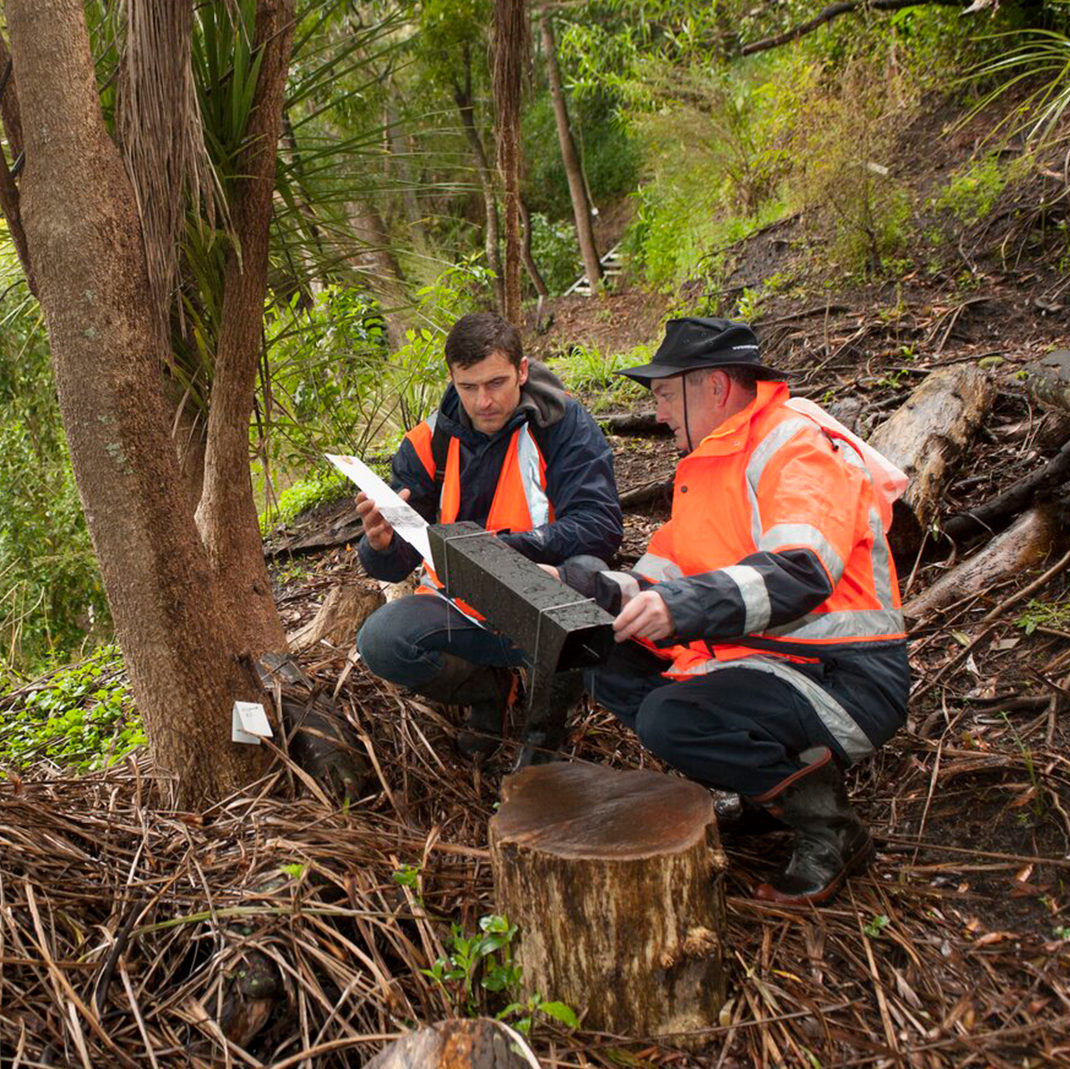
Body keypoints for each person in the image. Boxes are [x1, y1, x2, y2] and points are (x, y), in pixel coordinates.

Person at [555, 316, 909, 905]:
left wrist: (680, 606)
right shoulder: (708, 464)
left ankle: (830, 827)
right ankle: (763, 792)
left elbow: (800, 570)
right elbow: (659, 578)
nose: (659, 413)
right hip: (766, 664)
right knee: (598, 654)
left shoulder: (796, 446)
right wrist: (576, 584)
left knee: (670, 718)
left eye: (664, 394)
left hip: (844, 679)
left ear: (715, 387)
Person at [354, 311, 622, 768]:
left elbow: (600, 525)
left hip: (542, 597)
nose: (485, 401)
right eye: (469, 387)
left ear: (522, 370)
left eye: (497, 383)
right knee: (381, 641)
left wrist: (500, 549)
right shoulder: (430, 440)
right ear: (452, 380)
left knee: (590, 579)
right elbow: (398, 561)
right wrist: (379, 545)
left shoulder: (562, 424)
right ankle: (488, 694)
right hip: (459, 603)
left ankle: (542, 740)